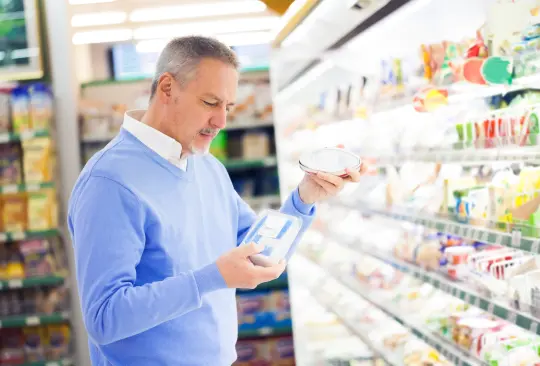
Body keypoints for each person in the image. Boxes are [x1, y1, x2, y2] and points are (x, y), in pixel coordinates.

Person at [67, 36, 363, 366]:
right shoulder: (110, 182)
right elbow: (104, 317)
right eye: (210, 103)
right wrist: (210, 278)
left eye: (228, 107)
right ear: (167, 89)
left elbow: (259, 254)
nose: (222, 122)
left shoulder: (206, 166)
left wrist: (305, 197)